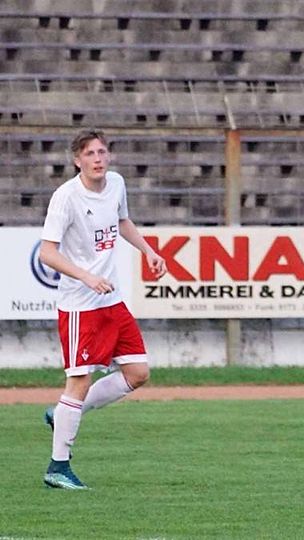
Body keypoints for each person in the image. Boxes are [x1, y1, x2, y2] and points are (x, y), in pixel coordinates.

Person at [39, 129, 168, 489]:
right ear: (77, 160)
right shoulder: (66, 197)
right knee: (79, 381)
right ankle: (57, 467)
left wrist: (149, 251)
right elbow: (46, 252)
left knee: (138, 372)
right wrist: (86, 277)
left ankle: (61, 414)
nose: (97, 159)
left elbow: (122, 222)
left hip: (111, 300)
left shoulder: (116, 184)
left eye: (101, 152)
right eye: (89, 153)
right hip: (80, 305)